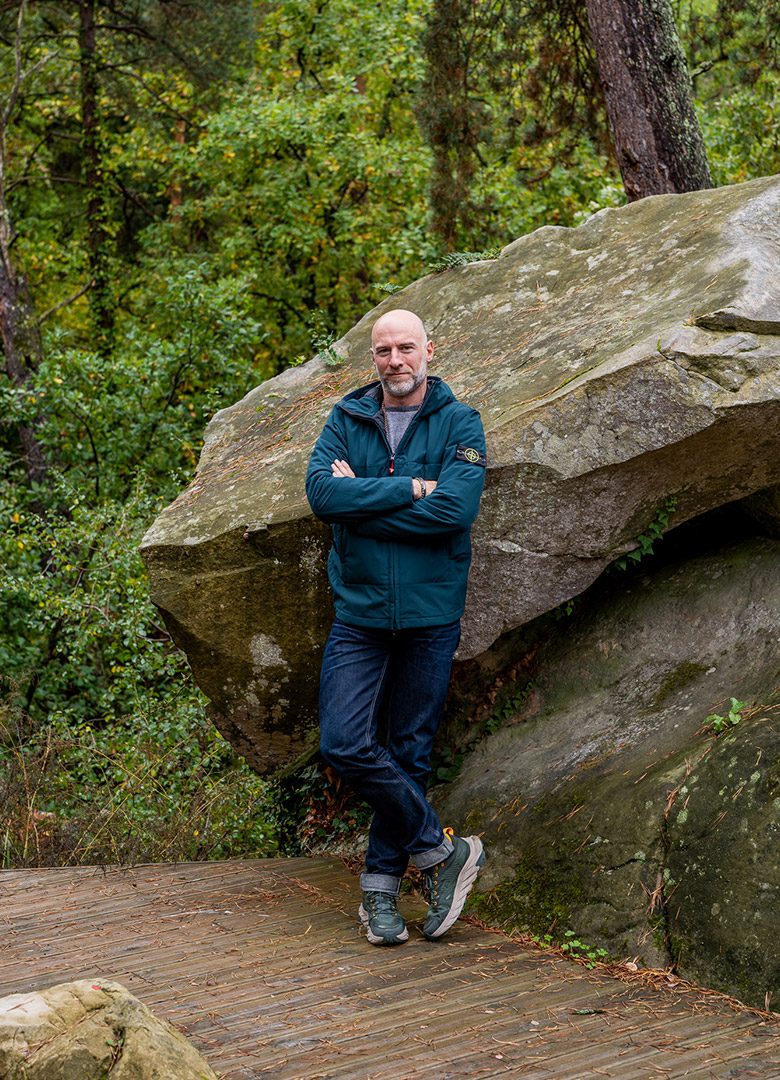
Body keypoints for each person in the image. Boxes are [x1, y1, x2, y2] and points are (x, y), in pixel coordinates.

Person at [305, 308, 487, 946]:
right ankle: (441, 852)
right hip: (360, 615)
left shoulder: (460, 422)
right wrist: (412, 487)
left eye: (406, 348)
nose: (395, 361)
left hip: (430, 617)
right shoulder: (346, 419)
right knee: (345, 744)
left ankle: (379, 896)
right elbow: (323, 498)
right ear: (373, 358)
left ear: (429, 351)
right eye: (384, 351)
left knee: (409, 749)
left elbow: (455, 511)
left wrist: (366, 504)